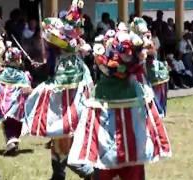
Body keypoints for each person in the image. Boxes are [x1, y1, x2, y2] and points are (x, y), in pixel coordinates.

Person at [68, 18, 171, 180]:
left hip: (112, 101)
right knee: (132, 160)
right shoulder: (137, 88)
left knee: (107, 161)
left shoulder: (102, 90)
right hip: (129, 104)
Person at [22, 1, 94, 179]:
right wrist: (41, 65)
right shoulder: (70, 54)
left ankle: (89, 173)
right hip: (67, 95)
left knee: (63, 137)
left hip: (68, 98)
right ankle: (58, 175)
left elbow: (56, 76)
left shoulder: (73, 51)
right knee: (59, 138)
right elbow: (51, 67)